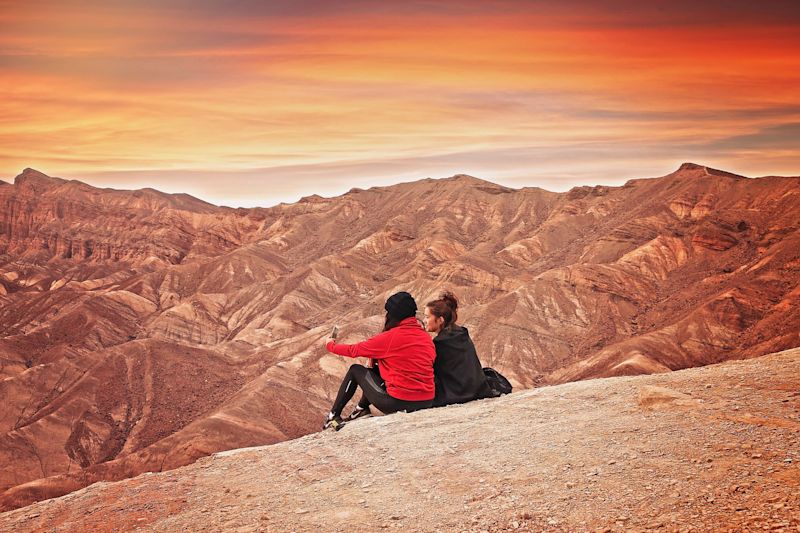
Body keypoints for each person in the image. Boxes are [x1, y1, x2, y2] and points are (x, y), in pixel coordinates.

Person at [323, 291, 436, 430]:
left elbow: (353, 350)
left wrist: (330, 345)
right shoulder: (425, 337)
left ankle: (332, 416)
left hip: (400, 402)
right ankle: (360, 410)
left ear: (392, 315)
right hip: (427, 400)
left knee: (356, 370)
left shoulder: (390, 337)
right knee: (375, 369)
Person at [424, 291, 492, 407]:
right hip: (476, 388)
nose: (425, 320)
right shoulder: (461, 333)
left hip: (457, 393)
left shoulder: (441, 343)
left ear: (440, 320)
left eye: (427, 317)